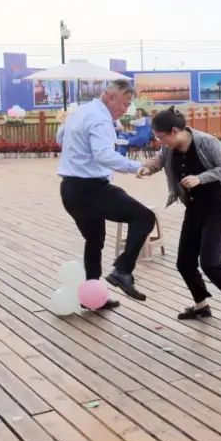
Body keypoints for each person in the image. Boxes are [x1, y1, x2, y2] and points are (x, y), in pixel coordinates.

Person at [138, 108, 221, 329]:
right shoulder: (169, 147)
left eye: (161, 137)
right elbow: (159, 160)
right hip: (193, 207)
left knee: (210, 263)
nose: (160, 142)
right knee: (184, 262)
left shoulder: (205, 142)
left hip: (216, 206)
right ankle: (201, 306)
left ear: (174, 131)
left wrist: (200, 178)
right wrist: (147, 168)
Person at [57, 79, 154, 310]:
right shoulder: (100, 118)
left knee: (94, 240)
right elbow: (103, 155)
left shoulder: (80, 112)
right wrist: (136, 166)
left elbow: (60, 138)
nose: (126, 109)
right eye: (124, 103)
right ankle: (122, 270)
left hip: (70, 189)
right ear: (110, 97)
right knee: (144, 217)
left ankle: (93, 296)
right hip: (90, 189)